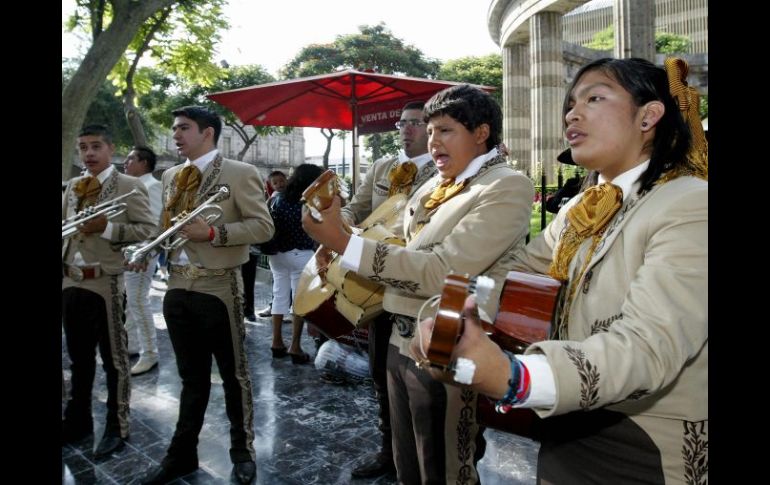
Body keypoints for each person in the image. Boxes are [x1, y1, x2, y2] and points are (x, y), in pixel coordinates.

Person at [412, 57, 708, 484]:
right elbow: (515, 273)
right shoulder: (578, 209)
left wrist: (515, 377)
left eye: (595, 97)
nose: (572, 112)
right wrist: (454, 315)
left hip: (645, 447)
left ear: (650, 115)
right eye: (570, 103)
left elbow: (648, 346)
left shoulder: (690, 202)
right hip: (566, 424)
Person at [303, 85, 534, 484]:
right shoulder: (432, 185)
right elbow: (397, 244)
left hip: (451, 341)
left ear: (481, 132)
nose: (432, 141)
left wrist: (344, 244)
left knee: (445, 467)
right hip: (398, 336)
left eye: (444, 130)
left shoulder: (506, 185)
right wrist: (339, 239)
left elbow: (443, 271)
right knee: (406, 461)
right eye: (429, 131)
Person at [137, 106, 274, 485]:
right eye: (175, 128)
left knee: (234, 375)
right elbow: (169, 227)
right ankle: (181, 455)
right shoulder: (170, 175)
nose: (176, 135)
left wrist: (214, 234)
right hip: (177, 286)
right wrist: (148, 248)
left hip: (219, 285)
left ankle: (243, 451)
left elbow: (263, 227)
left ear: (208, 133)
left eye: (183, 128)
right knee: (191, 378)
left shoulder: (240, 173)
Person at [329, 100, 437, 479]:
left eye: (416, 123)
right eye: (402, 123)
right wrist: (336, 223)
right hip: (375, 289)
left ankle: (425, 457)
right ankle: (389, 451)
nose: (406, 130)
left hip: (420, 289)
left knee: (424, 385)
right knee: (380, 373)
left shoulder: (445, 170)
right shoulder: (381, 168)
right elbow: (354, 209)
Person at [62, 124, 156, 457]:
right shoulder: (73, 186)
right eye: (83, 147)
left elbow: (147, 229)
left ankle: (118, 425)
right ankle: (78, 420)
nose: (88, 154)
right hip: (71, 280)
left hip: (106, 281)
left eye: (95, 146)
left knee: (114, 360)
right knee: (79, 357)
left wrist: (107, 227)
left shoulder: (128, 185)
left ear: (110, 148)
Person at [262, 164, 324, 363]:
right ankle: (295, 347)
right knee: (299, 301)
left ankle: (276, 341)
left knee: (279, 295)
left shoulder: (276, 199)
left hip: (277, 255)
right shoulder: (307, 202)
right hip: (301, 255)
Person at [123, 146, 163, 375]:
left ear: (144, 163)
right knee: (131, 301)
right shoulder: (133, 186)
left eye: (130, 159)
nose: (126, 163)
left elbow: (155, 226)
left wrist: (143, 254)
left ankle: (150, 353)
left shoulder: (153, 186)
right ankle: (132, 345)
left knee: (138, 301)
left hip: (140, 256)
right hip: (129, 253)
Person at [248, 170, 288, 320]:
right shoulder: (272, 198)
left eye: (281, 181)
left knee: (281, 283)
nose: (279, 184)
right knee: (280, 283)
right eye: (275, 183)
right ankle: (277, 308)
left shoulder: (284, 197)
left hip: (285, 245)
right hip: (280, 246)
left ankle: (280, 309)